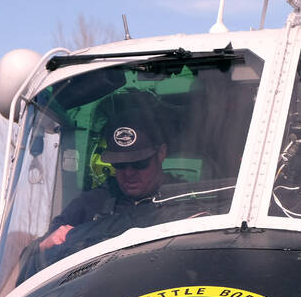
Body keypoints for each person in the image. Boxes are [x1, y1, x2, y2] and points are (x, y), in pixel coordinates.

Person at [20, 102, 183, 279]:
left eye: (139, 163)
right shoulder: (90, 205)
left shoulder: (188, 200)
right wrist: (43, 247)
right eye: (119, 165)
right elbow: (29, 262)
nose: (129, 173)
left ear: (161, 153)